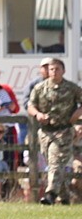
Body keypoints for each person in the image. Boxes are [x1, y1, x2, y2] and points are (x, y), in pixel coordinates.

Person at [27, 58, 82, 206]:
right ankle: (64, 198)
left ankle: (50, 194)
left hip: (63, 130)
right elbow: (30, 105)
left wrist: (77, 114)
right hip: (45, 132)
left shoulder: (72, 88)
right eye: (51, 69)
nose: (54, 72)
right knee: (53, 164)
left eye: (57, 69)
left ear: (63, 71)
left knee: (55, 162)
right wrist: (38, 114)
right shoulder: (39, 88)